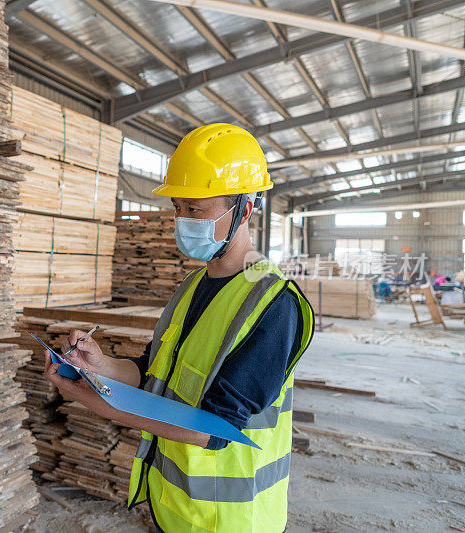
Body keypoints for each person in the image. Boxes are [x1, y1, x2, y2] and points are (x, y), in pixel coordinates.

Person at [44, 123, 315, 532]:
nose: (183, 221)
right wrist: (101, 365)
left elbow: (220, 428)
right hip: (177, 508)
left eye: (196, 210)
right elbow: (156, 369)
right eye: (177, 208)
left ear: (245, 208)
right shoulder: (192, 286)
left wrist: (108, 407)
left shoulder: (274, 304)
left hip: (230, 519)